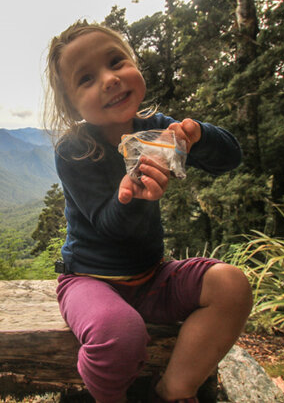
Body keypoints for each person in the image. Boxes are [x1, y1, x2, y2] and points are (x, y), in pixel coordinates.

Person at [43, 21, 253, 403]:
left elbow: (230, 159)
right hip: (90, 280)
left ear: (134, 65)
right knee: (121, 332)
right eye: (87, 78)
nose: (109, 79)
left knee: (231, 284)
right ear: (71, 104)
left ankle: (174, 389)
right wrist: (133, 197)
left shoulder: (158, 129)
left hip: (152, 276)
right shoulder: (74, 150)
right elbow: (107, 227)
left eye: (116, 62)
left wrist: (199, 135)